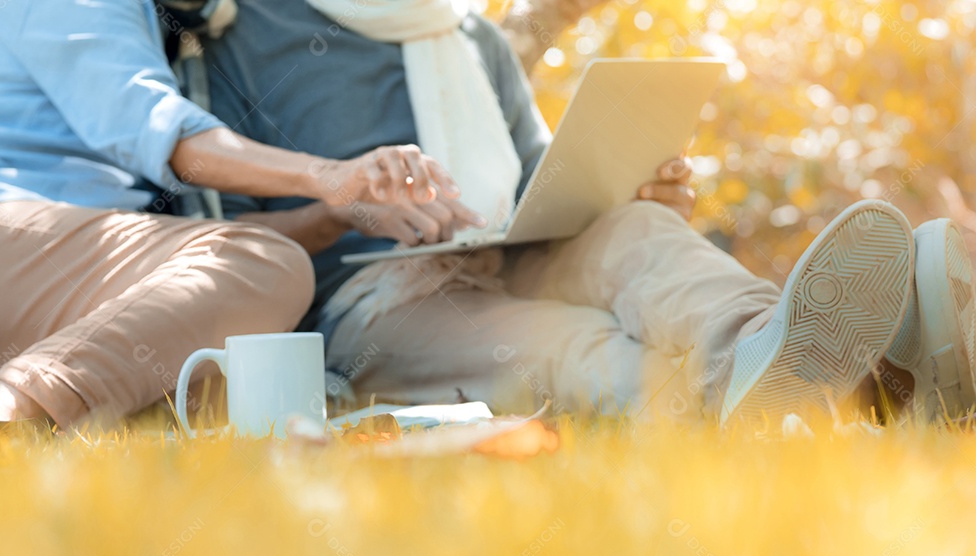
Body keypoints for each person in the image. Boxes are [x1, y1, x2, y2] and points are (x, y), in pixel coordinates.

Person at [201, 0, 976, 425]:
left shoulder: (468, 32)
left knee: (643, 232)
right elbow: (222, 245)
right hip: (378, 295)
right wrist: (343, 205)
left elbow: (541, 181)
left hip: (520, 249)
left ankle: (765, 351)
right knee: (574, 348)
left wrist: (631, 186)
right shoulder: (251, 29)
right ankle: (875, 390)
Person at [0, 0, 444, 438]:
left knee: (223, 382)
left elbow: (215, 265)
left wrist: (334, 214)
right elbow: (167, 134)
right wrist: (329, 174)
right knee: (263, 269)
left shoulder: (168, 35)